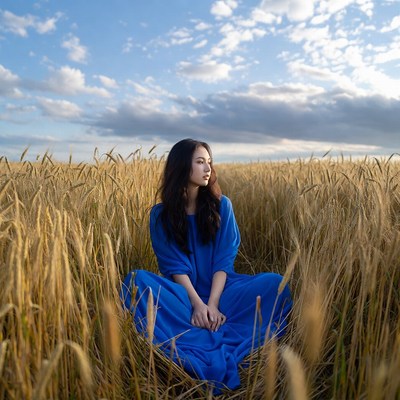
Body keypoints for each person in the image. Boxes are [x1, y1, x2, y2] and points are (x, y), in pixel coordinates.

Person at [120, 138, 292, 393]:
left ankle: (204, 321)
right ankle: (193, 322)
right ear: (181, 167)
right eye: (200, 162)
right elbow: (174, 266)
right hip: (182, 295)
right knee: (136, 281)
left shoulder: (223, 206)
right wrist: (197, 305)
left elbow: (224, 260)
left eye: (209, 162)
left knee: (275, 284)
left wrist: (211, 304)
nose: (207, 168)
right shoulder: (160, 215)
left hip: (223, 291)